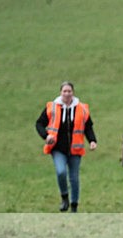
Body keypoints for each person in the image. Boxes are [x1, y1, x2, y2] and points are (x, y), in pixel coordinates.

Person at [36, 81, 97, 212]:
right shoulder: (52, 107)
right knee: (61, 172)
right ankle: (64, 197)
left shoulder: (82, 108)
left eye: (69, 91)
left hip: (75, 148)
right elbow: (39, 124)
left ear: (73, 93)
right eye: (64, 91)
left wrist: (92, 140)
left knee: (74, 178)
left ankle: (74, 206)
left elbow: (88, 127)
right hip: (58, 148)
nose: (67, 94)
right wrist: (46, 136)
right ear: (60, 93)